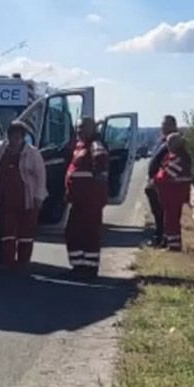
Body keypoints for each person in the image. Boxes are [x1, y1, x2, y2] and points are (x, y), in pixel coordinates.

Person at [0, 120, 47, 271]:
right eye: (12, 135)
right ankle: (8, 262)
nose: (15, 138)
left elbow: (41, 176)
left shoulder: (32, 153)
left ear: (23, 136)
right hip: (5, 197)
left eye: (18, 135)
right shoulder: (1, 149)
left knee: (26, 234)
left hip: (27, 198)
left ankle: (23, 262)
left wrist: (39, 197)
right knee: (7, 231)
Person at [64, 117, 110, 279]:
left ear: (92, 129)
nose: (79, 131)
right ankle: (79, 265)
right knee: (74, 232)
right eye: (77, 128)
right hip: (79, 200)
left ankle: (89, 268)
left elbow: (101, 165)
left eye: (82, 128)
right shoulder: (80, 146)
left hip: (89, 200)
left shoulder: (95, 146)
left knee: (89, 233)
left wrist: (95, 192)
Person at [154, 132, 194, 252]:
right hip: (175, 193)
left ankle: (174, 245)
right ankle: (172, 242)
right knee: (172, 218)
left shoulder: (177, 157)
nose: (167, 145)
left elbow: (165, 175)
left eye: (169, 142)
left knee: (171, 219)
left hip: (173, 193)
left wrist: (155, 179)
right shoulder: (182, 156)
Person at [144, 115, 179, 247]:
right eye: (162, 124)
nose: (163, 127)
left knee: (163, 213)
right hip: (155, 183)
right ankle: (159, 236)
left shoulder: (174, 142)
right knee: (157, 213)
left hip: (164, 184)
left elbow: (169, 164)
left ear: (174, 126)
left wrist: (158, 179)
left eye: (166, 125)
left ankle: (162, 239)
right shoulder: (162, 141)